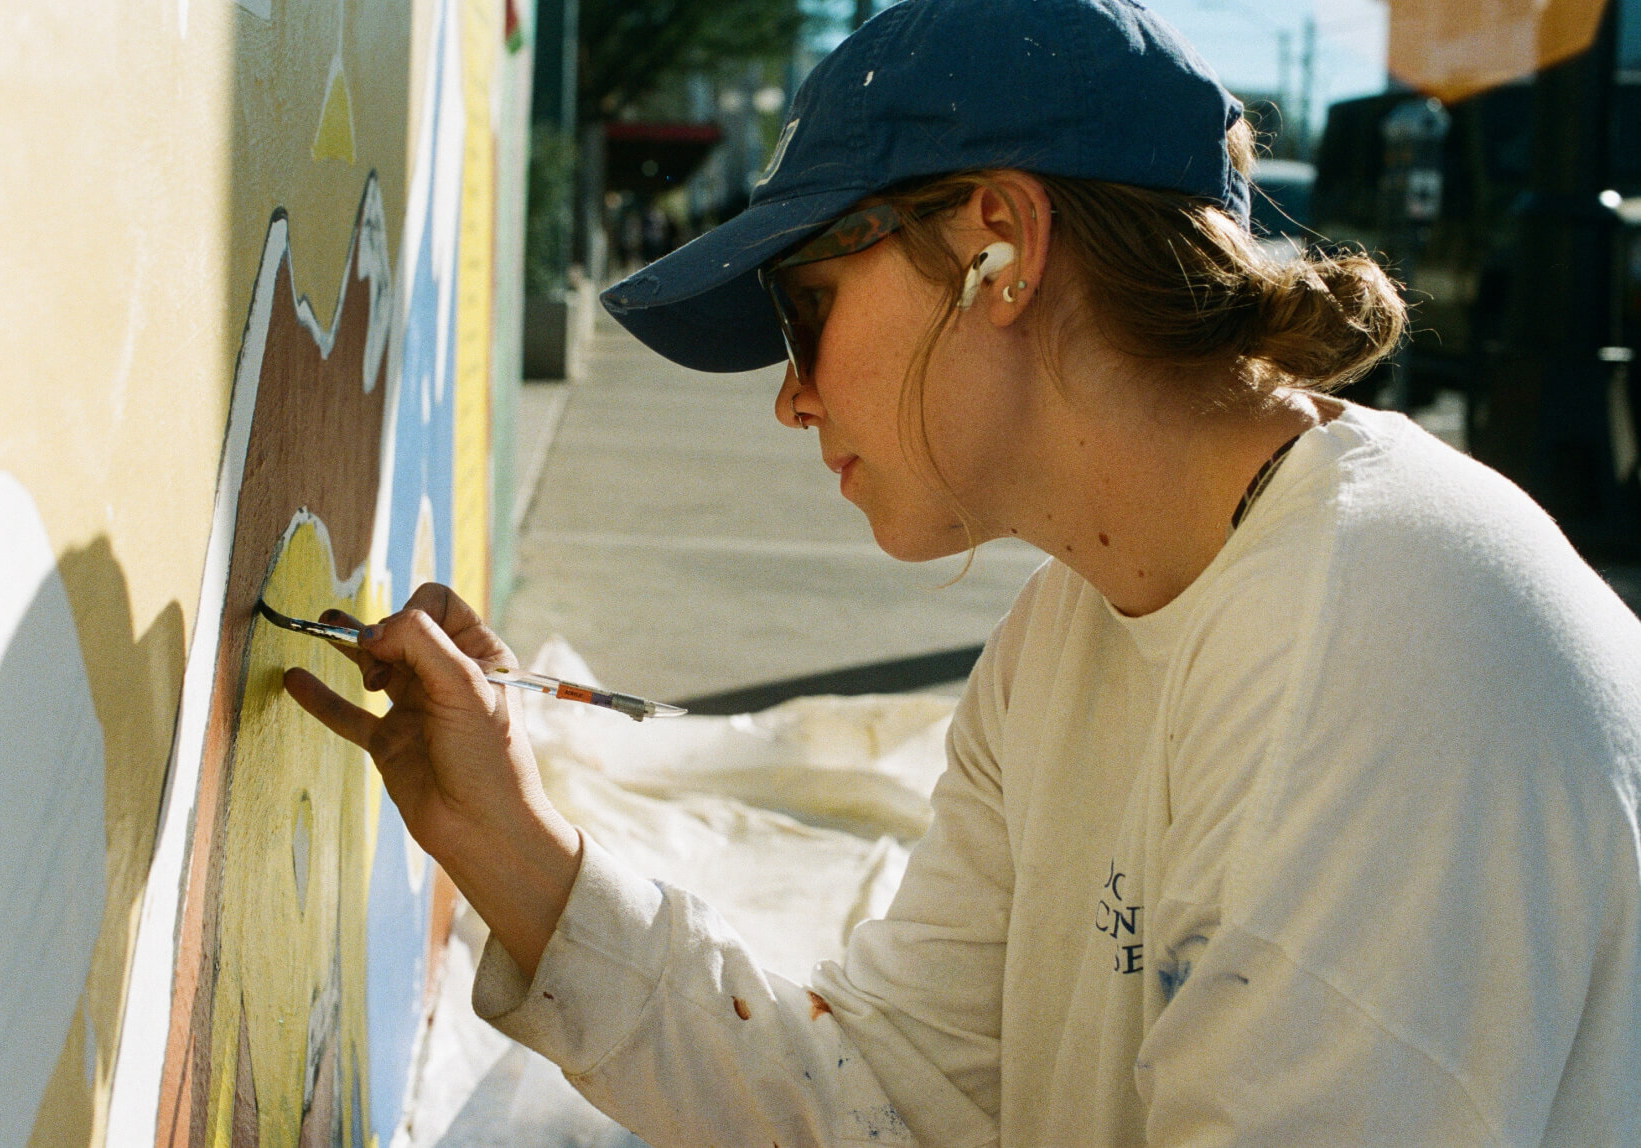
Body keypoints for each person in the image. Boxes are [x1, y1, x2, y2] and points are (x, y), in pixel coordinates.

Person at [286, 0, 1641, 1143]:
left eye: (804, 310)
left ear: (998, 245)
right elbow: (890, 1096)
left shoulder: (1394, 639)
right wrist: (509, 848)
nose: (792, 399)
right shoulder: (1065, 644)